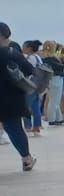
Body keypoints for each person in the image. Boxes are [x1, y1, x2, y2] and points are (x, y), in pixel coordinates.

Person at [0, 25, 36, 172]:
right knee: (14, 128)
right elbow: (29, 70)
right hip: (11, 97)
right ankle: (27, 159)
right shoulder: (12, 52)